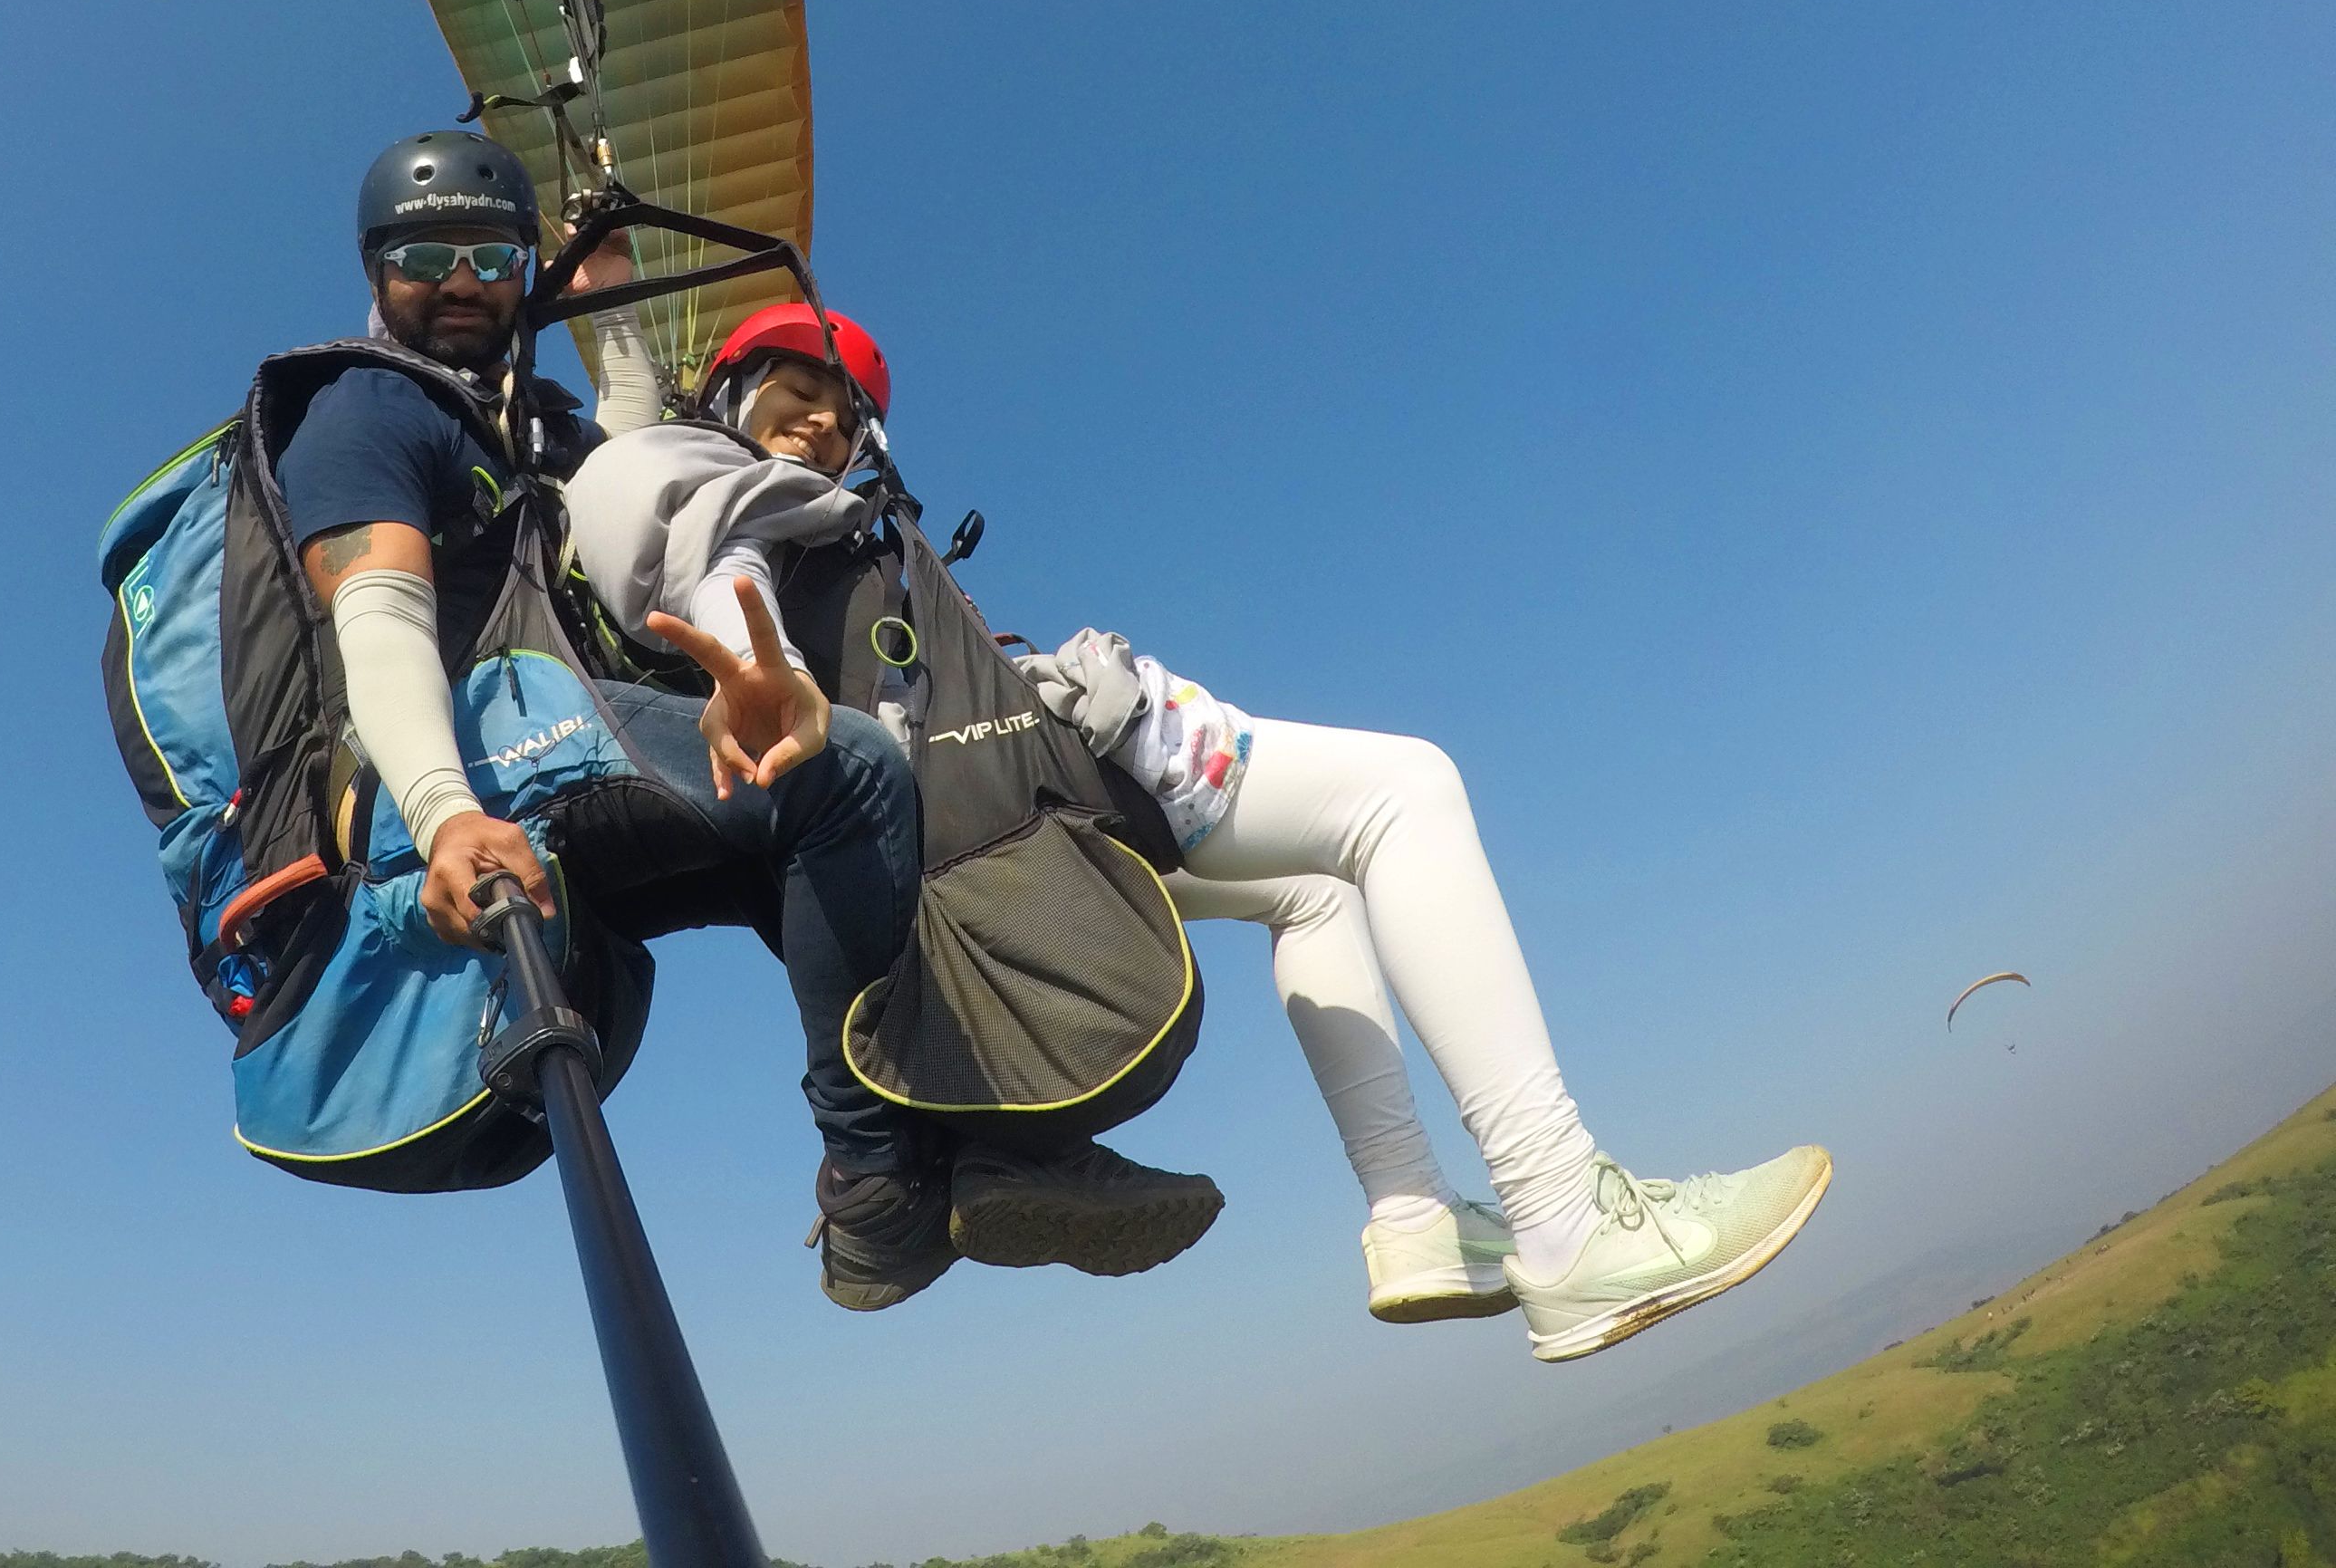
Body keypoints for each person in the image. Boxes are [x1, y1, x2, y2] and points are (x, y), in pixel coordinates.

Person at [571, 297, 1835, 1363]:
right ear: (723, 390)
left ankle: (1413, 1215)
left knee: (1316, 894)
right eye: (795, 389)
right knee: (1408, 793)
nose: (825, 423)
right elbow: (692, 541)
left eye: (845, 409)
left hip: (988, 822)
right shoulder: (708, 486)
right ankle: (1567, 1216)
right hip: (1012, 810)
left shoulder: (807, 513)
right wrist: (759, 664)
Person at [280, 131, 1196, 1310]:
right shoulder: (369, 407)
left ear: (523, 271)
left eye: (493, 257)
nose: (462, 281)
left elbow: (621, 437)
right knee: (848, 773)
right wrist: (445, 813)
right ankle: (871, 1186)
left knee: (841, 839)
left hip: (536, 738)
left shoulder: (508, 430)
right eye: (428, 254)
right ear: (374, 266)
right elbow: (382, 623)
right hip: (442, 760)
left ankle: (981, 1148)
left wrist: (606, 283)